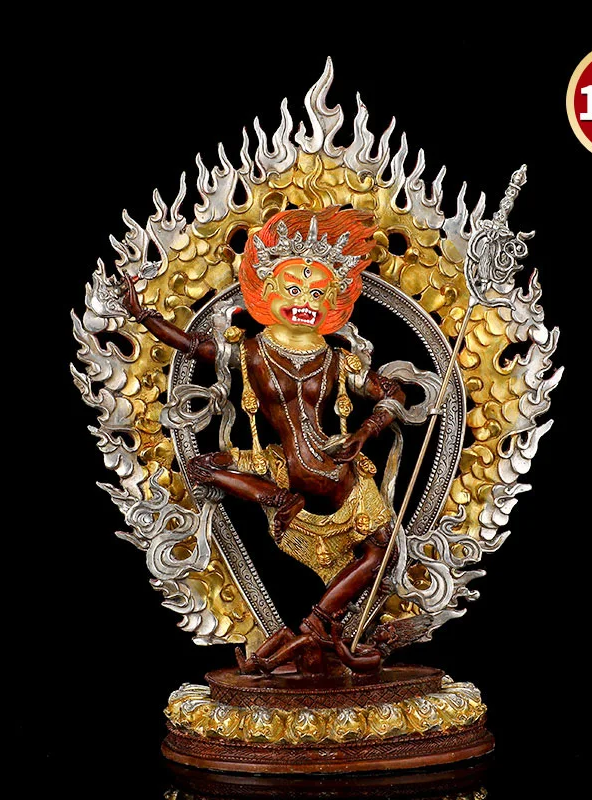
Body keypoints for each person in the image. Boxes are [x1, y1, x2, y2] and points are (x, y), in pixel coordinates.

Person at [120, 206, 405, 674]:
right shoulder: (250, 351)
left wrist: (365, 431)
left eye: (317, 293)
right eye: (293, 289)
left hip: (336, 472)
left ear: (334, 302)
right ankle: (280, 506)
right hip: (280, 467)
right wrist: (142, 314)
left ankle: (313, 626)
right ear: (266, 291)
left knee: (384, 550)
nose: (304, 301)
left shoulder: (338, 360)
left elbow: (391, 392)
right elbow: (191, 346)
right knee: (202, 468)